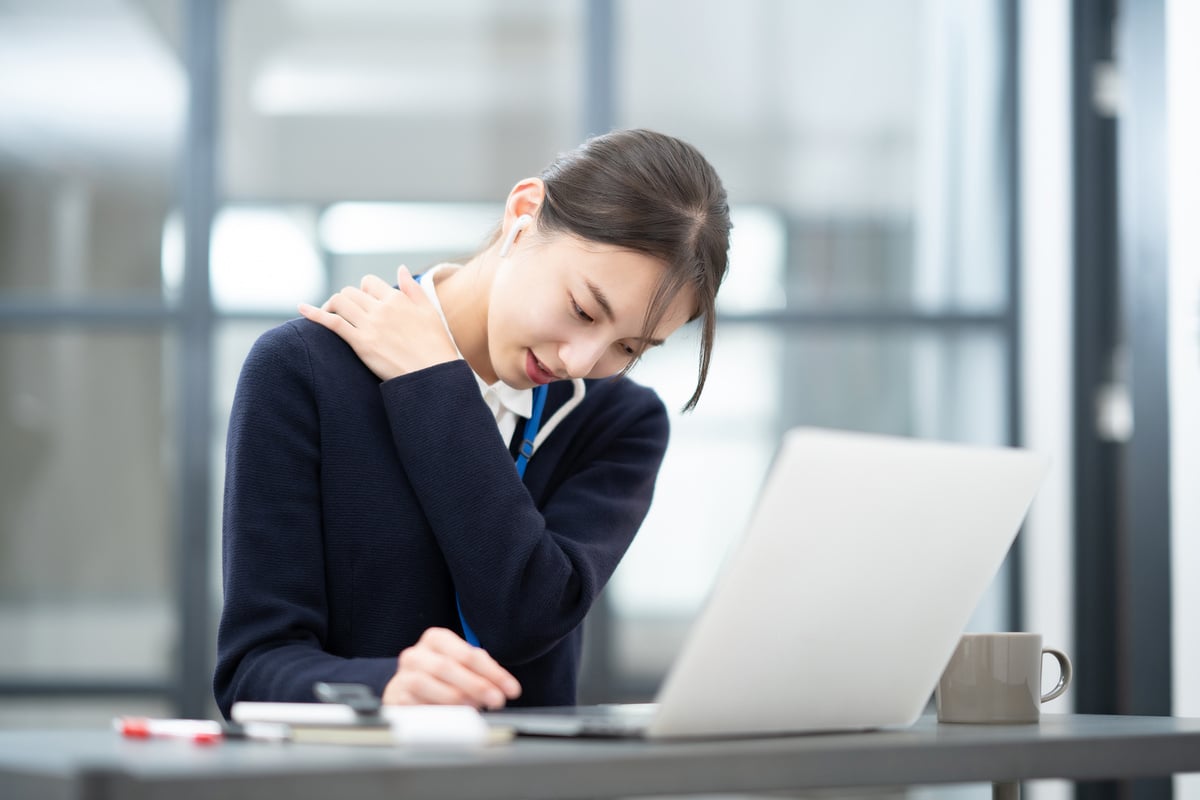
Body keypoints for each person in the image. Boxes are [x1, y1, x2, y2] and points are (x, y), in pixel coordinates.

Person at [213, 128, 731, 718]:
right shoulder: (304, 372)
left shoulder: (616, 421)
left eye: (631, 348)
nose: (581, 361)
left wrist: (435, 383)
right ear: (524, 213)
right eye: (583, 309)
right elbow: (251, 673)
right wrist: (388, 690)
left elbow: (529, 617)